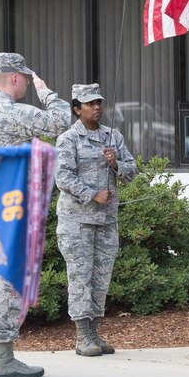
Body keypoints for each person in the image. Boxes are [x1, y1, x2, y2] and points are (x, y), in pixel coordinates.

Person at [0, 52, 71, 377]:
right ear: (17, 79)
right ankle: (4, 358)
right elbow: (62, 119)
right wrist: (46, 91)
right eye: (26, 79)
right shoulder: (14, 113)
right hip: (8, 211)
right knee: (7, 281)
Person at [55, 83, 137, 356]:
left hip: (106, 222)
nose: (97, 107)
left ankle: (94, 333)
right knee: (81, 278)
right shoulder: (68, 139)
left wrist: (115, 163)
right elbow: (63, 178)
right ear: (77, 109)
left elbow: (131, 170)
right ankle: (81, 337)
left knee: (101, 278)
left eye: (99, 102)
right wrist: (92, 195)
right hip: (77, 221)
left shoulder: (113, 136)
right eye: (90, 104)